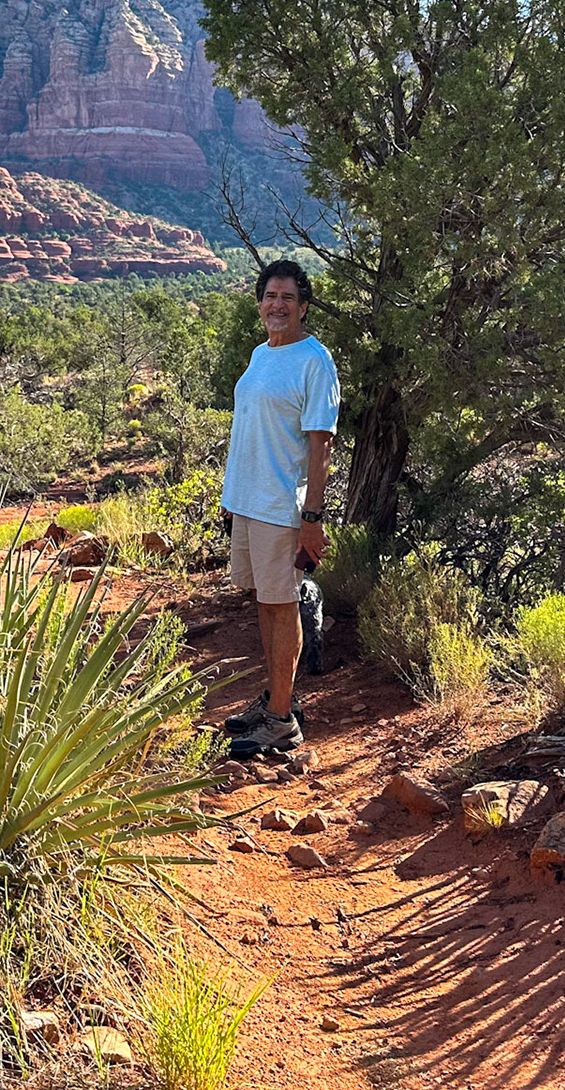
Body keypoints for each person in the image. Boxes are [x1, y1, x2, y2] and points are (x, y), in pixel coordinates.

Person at [218, 259, 339, 758]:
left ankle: (282, 721)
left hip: (279, 505)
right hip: (248, 500)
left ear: (304, 306)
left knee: (281, 603)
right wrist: (231, 500)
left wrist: (312, 519)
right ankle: (274, 698)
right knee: (265, 604)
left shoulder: (315, 360)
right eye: (270, 295)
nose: (277, 305)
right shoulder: (260, 354)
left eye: (288, 297)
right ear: (260, 302)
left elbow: (320, 446)